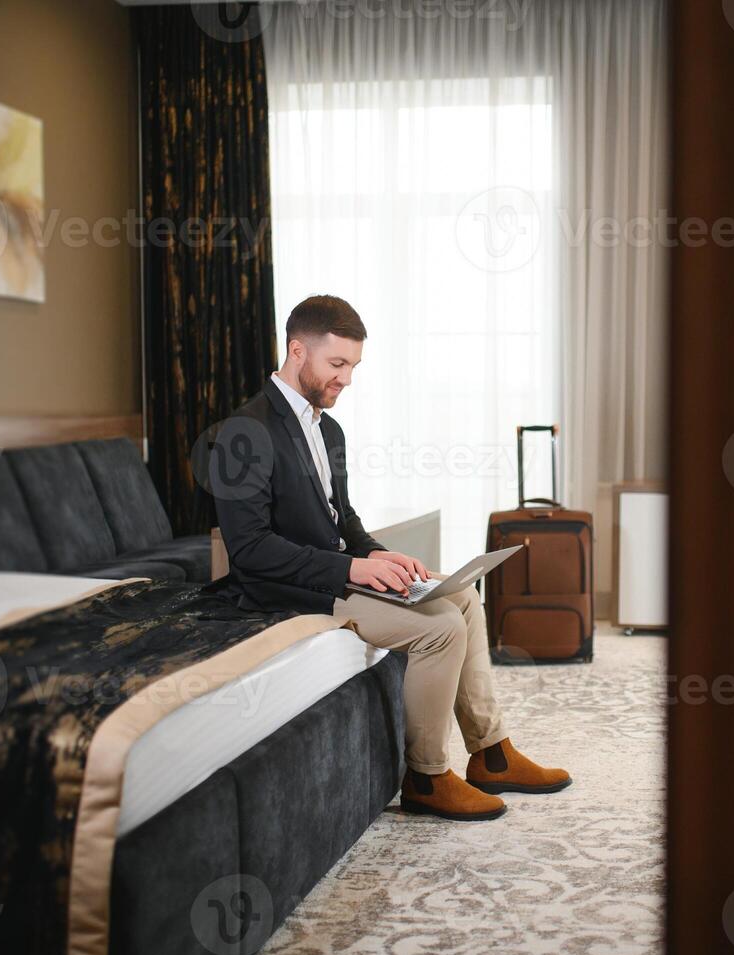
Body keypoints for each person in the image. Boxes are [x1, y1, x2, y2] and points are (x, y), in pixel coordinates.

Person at [208, 294, 571, 821]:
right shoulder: (244, 434)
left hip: (335, 575)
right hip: (285, 590)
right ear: (296, 351)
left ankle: (491, 753)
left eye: (353, 367)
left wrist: (383, 556)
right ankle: (425, 778)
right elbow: (250, 550)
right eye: (337, 365)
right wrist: (355, 570)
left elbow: (344, 520)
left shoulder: (327, 429)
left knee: (463, 595)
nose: (346, 380)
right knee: (440, 627)